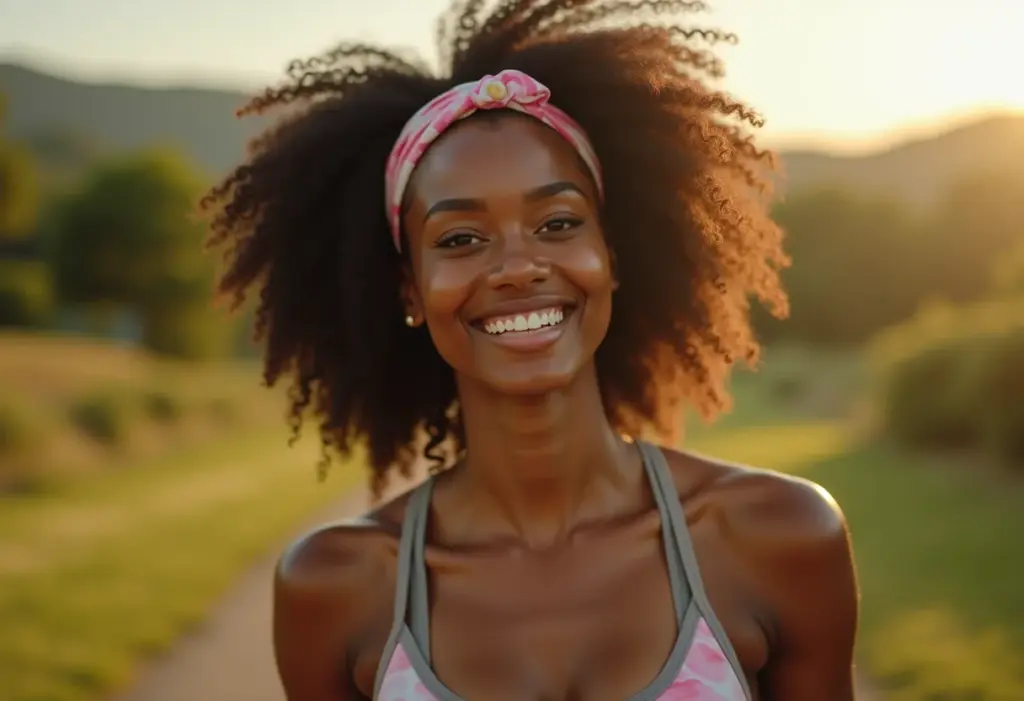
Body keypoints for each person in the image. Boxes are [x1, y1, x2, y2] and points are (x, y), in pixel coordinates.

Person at [201, 1, 859, 699]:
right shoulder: (337, 587)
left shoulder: (777, 534)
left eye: (558, 223)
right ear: (411, 290)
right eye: (460, 238)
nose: (517, 267)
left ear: (611, 255)